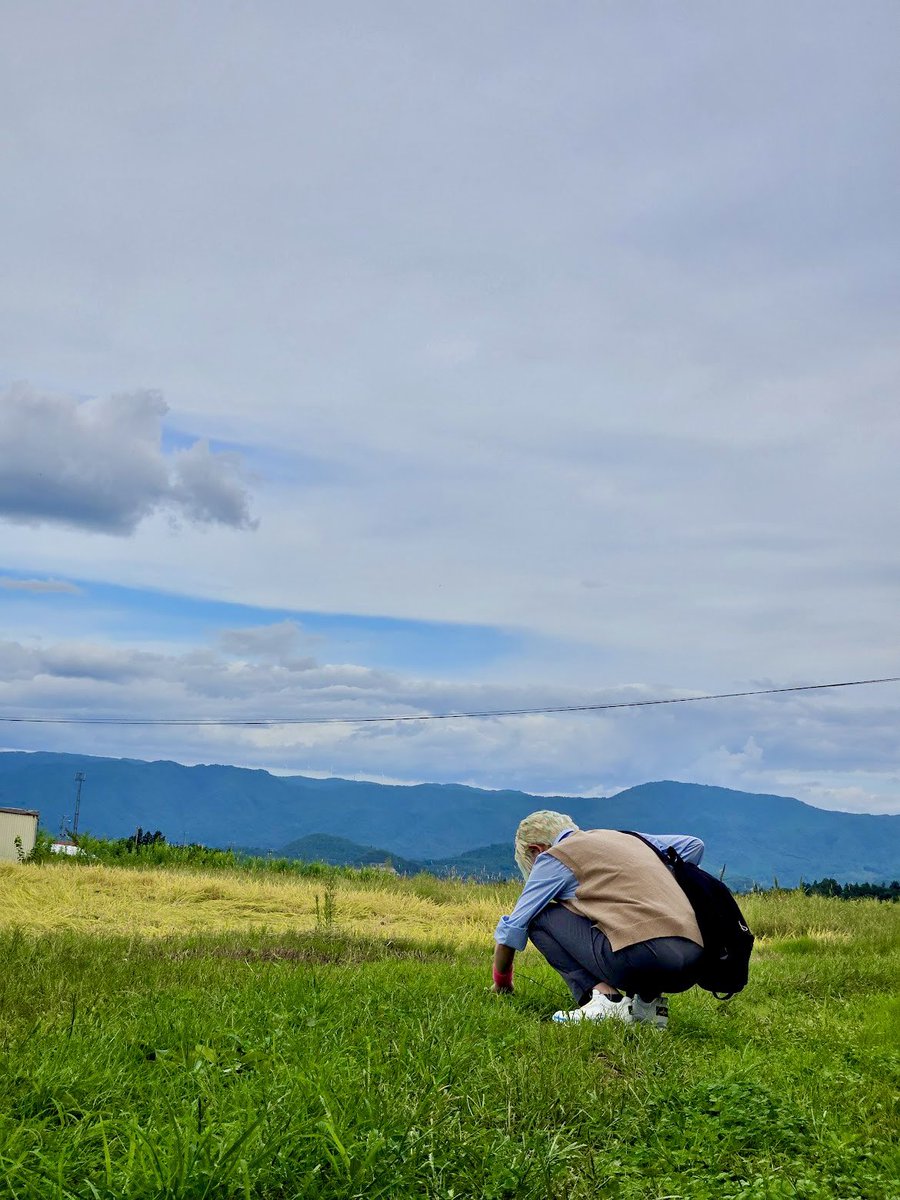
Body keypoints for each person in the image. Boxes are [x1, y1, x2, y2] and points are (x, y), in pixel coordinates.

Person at [491, 811, 706, 1027]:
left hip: (644, 958)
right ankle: (648, 1007)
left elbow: (513, 928)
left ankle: (604, 1000)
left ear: (535, 850)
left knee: (539, 916)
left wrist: (502, 983)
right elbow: (693, 846)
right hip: (694, 961)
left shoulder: (555, 856)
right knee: (629, 923)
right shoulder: (628, 838)